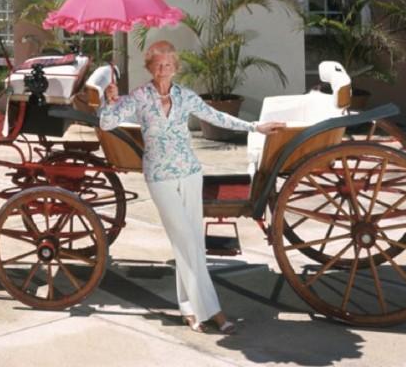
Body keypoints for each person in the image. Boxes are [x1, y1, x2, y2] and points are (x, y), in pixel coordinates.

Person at [99, 39, 284, 334]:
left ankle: (189, 308)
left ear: (176, 67)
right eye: (158, 65)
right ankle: (214, 311)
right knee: (186, 241)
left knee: (192, 243)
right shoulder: (138, 97)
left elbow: (216, 116)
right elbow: (107, 123)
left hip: (190, 172)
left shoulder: (185, 96)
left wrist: (254, 127)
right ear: (150, 67)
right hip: (160, 176)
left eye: (168, 65)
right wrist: (109, 100)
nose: (163, 70)